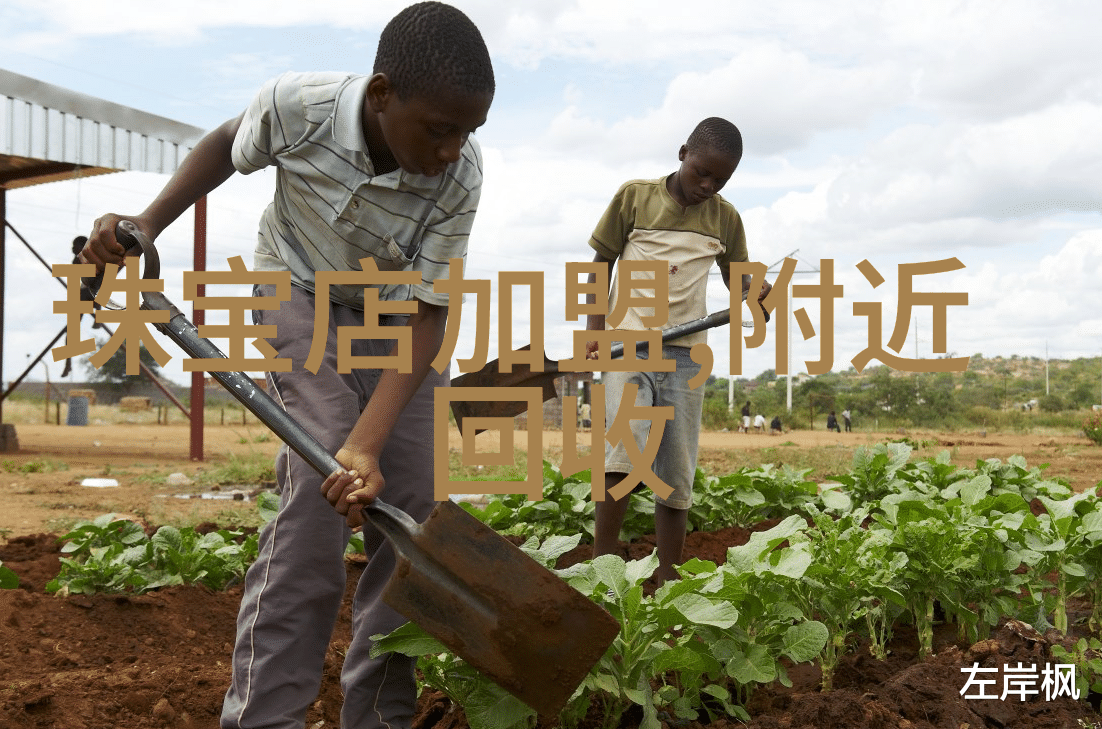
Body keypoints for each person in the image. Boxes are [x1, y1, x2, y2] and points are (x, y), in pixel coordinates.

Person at [79, 4, 494, 728]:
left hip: (397, 317)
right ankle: (266, 714)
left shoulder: (459, 174)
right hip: (296, 290)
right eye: (440, 129)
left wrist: (374, 441)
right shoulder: (297, 105)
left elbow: (431, 312)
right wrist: (147, 223)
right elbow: (224, 144)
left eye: (468, 132)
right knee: (321, 469)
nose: (454, 149)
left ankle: (378, 714)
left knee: (413, 505)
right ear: (382, 94)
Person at [585, 117, 770, 587]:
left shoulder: (725, 218)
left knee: (675, 467)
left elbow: (737, 278)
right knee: (623, 452)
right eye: (701, 172)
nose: (707, 185)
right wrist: (593, 328)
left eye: (720, 179)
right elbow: (600, 261)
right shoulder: (635, 197)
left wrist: (758, 290)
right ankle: (603, 568)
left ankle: (668, 581)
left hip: (686, 353)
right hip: (627, 343)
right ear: (683, 152)